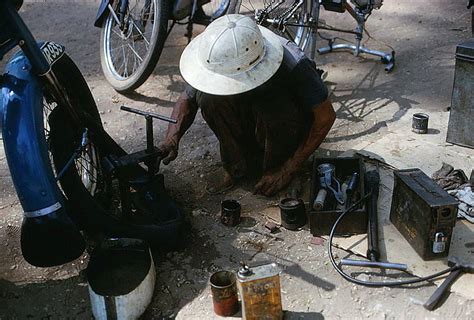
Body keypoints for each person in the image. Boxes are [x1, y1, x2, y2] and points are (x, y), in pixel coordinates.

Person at [159, 14, 336, 196]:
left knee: (273, 106)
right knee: (208, 98)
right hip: (253, 123)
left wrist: (290, 167)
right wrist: (172, 138)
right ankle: (236, 166)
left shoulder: (294, 62)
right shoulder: (217, 56)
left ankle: (276, 168)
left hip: (287, 124)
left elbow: (326, 116)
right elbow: (186, 99)